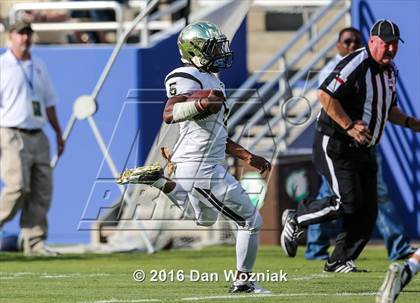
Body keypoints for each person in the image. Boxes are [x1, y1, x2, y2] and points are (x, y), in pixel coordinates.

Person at [117, 21, 272, 293]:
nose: (220, 52)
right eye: (213, 48)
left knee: (206, 220)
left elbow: (217, 133)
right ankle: (243, 283)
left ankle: (160, 182)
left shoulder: (212, 79)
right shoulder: (186, 75)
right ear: (195, 51)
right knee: (250, 220)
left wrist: (247, 156)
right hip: (202, 167)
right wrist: (201, 102)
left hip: (195, 164)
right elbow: (169, 112)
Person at [280, 19, 420, 272]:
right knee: (346, 202)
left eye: (394, 44)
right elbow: (325, 95)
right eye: (386, 44)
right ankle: (296, 217)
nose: (390, 49)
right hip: (336, 142)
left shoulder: (390, 71)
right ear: (372, 42)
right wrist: (349, 126)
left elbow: (387, 109)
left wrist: (410, 122)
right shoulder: (356, 62)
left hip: (364, 148)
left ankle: (339, 260)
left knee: (368, 210)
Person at [0, 20, 65, 256]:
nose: (25, 38)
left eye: (28, 33)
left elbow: (48, 102)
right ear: (11, 36)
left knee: (41, 189)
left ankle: (35, 243)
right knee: (17, 187)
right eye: (20, 34)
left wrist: (58, 132)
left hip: (38, 134)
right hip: (11, 132)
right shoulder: (2, 65)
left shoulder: (39, 65)